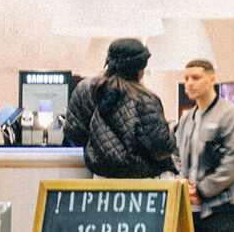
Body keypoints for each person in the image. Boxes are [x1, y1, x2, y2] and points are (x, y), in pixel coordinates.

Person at [63, 38, 178, 179]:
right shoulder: (146, 99)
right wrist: (171, 135)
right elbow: (160, 148)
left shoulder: (87, 89)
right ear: (140, 69)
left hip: (102, 177)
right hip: (143, 183)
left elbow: (74, 134)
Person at [174, 59, 234, 232]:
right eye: (186, 79)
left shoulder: (231, 115)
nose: (189, 84)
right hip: (192, 207)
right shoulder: (186, 119)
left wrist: (202, 190)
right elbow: (177, 155)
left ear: (211, 80)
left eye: (196, 78)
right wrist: (185, 185)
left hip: (224, 207)